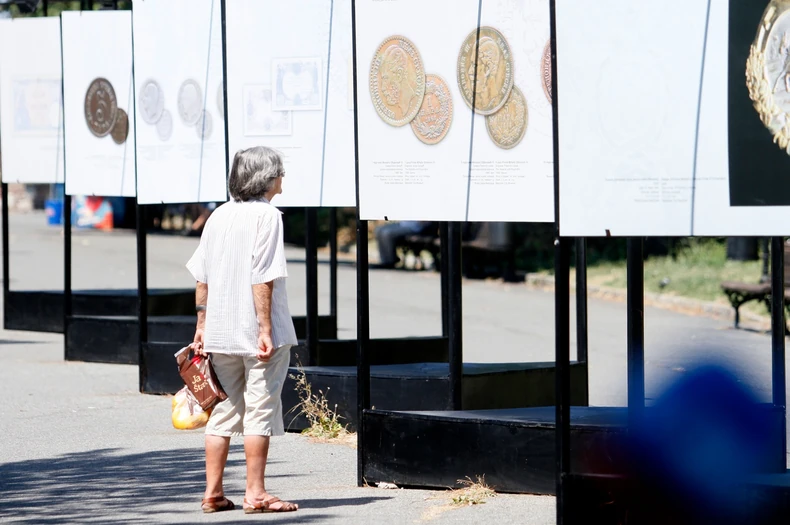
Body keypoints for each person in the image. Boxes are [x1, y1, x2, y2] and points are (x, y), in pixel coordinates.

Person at [186, 146, 299, 515]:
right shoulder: (268, 217)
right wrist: (265, 328)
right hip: (256, 333)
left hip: (219, 330)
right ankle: (256, 493)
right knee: (260, 411)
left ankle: (213, 493)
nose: (283, 178)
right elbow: (263, 276)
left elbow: (200, 276)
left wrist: (201, 325)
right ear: (268, 178)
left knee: (221, 413)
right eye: (280, 172)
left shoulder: (218, 214)